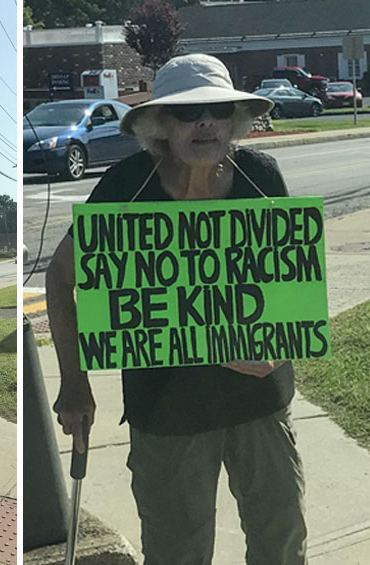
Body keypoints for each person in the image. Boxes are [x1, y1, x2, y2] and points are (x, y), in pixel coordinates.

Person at [46, 54, 307, 564]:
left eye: (218, 109)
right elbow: (60, 277)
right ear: (160, 124)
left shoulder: (260, 176)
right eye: (189, 113)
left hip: (260, 402)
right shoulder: (126, 187)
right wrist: (73, 381)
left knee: (281, 543)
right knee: (176, 553)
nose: (206, 122)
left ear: (235, 119)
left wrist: (279, 344)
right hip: (168, 413)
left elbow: (288, 279)